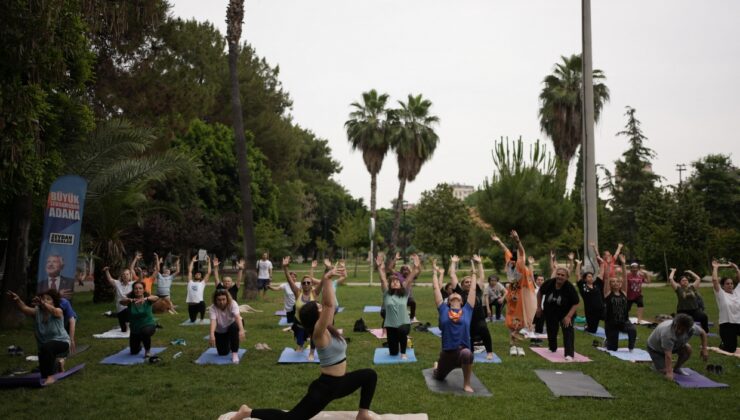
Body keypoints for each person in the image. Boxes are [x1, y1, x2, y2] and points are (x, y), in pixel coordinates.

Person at [231, 264, 377, 420]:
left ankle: (362, 414)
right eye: (318, 306)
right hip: (325, 387)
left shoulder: (327, 328)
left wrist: (328, 278)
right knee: (291, 418)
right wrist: (327, 278)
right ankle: (247, 412)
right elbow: (329, 305)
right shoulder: (318, 333)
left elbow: (328, 305)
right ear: (316, 316)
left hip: (340, 382)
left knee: (369, 375)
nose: (321, 306)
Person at [430, 253, 477, 393]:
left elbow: (473, 290)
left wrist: (473, 273)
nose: (455, 295)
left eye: (458, 295)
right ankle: (437, 367)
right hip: (447, 353)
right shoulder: (443, 309)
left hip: (462, 350)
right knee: (439, 377)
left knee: (468, 354)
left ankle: (466, 384)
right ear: (449, 300)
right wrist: (434, 272)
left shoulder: (467, 310)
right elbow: (436, 289)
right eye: (452, 295)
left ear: (462, 301)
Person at [7, 289, 70, 385]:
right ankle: (58, 365)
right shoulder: (37, 313)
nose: (44, 300)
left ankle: (51, 377)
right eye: (43, 299)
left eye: (48, 299)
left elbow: (53, 311)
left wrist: (43, 304)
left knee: (48, 348)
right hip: (44, 347)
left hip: (62, 343)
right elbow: (24, 308)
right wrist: (17, 300)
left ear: (54, 302)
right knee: (43, 372)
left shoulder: (58, 311)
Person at [491, 231, 537, 356]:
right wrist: (499, 241)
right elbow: (506, 250)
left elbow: (521, 251)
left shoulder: (520, 264)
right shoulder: (510, 263)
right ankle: (512, 345)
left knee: (522, 320)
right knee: (511, 320)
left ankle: (518, 345)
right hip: (513, 296)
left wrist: (517, 240)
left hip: (523, 295)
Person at [449, 255, 494, 361]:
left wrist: (479, 263)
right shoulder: (459, 292)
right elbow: (452, 276)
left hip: (479, 318)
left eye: (470, 282)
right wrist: (453, 262)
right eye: (466, 282)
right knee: (469, 338)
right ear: (462, 285)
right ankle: (470, 352)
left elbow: (481, 276)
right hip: (466, 320)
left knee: (484, 331)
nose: (469, 283)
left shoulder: (477, 290)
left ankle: (490, 352)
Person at [376, 253, 419, 359]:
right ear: (390, 284)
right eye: (393, 282)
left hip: (403, 323)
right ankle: (397, 348)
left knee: (402, 331)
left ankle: (403, 352)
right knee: (393, 352)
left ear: (401, 284)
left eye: (397, 282)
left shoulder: (404, 294)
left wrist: (415, 267)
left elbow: (409, 279)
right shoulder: (386, 294)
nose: (395, 283)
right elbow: (382, 279)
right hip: (390, 326)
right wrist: (379, 267)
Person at [646, 313, 708, 380]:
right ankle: (656, 366)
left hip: (675, 345)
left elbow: (703, 333)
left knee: (688, 349)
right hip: (655, 349)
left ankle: (677, 368)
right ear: (675, 324)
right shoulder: (667, 333)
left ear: (688, 328)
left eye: (683, 329)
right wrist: (669, 372)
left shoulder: (692, 328)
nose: (679, 331)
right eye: (678, 327)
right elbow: (668, 355)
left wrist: (704, 349)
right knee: (664, 371)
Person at [283, 256, 322, 361]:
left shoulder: (314, 293)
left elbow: (322, 282)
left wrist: (327, 270)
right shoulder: (298, 293)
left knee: (313, 336)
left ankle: (312, 353)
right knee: (299, 336)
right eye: (304, 283)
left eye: (308, 283)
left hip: (312, 322)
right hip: (299, 321)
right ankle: (300, 345)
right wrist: (285, 268)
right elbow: (290, 281)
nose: (306, 284)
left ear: (311, 284)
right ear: (301, 284)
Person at [537, 267, 580, 360]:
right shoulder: (549, 283)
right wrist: (539, 307)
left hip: (566, 313)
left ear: (567, 277)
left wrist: (568, 317)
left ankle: (569, 354)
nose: (559, 276)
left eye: (562, 275)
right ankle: (552, 348)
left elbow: (576, 302)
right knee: (551, 330)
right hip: (551, 311)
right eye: (558, 274)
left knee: (567, 330)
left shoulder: (569, 287)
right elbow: (540, 292)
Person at [602, 257, 636, 351]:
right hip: (611, 323)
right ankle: (608, 341)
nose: (616, 283)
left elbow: (625, 278)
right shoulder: (608, 293)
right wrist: (608, 265)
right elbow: (606, 278)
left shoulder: (624, 292)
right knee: (613, 349)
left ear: (621, 284)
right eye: (613, 282)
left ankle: (631, 347)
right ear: (610, 284)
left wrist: (624, 264)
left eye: (618, 282)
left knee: (632, 330)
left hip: (623, 321)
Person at [120, 281, 159, 357]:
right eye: (136, 288)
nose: (138, 290)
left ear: (144, 290)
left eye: (140, 288)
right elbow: (121, 302)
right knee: (134, 351)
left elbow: (156, 298)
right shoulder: (130, 301)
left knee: (145, 332)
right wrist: (129, 300)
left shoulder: (148, 300)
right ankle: (140, 343)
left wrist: (146, 298)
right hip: (135, 329)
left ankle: (147, 351)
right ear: (133, 290)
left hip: (148, 325)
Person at [209, 288, 246, 363]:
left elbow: (237, 317)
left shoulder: (233, 303)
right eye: (219, 300)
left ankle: (234, 353)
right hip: (221, 330)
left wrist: (241, 330)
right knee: (222, 353)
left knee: (234, 327)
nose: (221, 302)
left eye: (223, 299)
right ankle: (229, 340)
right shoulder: (212, 308)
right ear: (215, 300)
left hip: (232, 324)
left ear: (227, 299)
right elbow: (213, 321)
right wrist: (212, 334)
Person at [711, 260, 740, 353]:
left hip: (738, 323)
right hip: (726, 325)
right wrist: (715, 267)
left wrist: (736, 268)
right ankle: (723, 344)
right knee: (731, 349)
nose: (730, 285)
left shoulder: (737, 292)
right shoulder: (721, 294)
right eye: (727, 284)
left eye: (731, 283)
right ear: (723, 286)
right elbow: (715, 280)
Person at [669, 267, 709, 333]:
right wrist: (673, 271)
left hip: (694, 310)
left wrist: (690, 272)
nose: (685, 281)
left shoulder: (692, 287)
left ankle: (705, 332)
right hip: (683, 311)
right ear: (679, 283)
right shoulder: (678, 289)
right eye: (683, 280)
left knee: (704, 317)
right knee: (680, 326)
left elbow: (698, 278)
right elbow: (671, 279)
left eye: (686, 280)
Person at [575, 256, 604, 334]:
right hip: (590, 311)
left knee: (611, 321)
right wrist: (578, 264)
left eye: (591, 276)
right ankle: (587, 326)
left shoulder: (596, 284)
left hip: (601, 309)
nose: (591, 278)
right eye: (589, 277)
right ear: (585, 279)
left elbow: (601, 273)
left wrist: (602, 263)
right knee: (592, 330)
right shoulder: (582, 285)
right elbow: (577, 275)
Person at [103, 265, 133, 332]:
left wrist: (139, 273)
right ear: (122, 276)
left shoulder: (132, 284)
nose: (125, 276)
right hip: (120, 310)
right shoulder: (118, 283)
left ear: (130, 276)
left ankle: (130, 325)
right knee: (123, 330)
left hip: (128, 309)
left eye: (127, 274)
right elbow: (110, 279)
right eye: (124, 274)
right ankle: (127, 326)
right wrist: (107, 271)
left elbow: (140, 280)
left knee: (128, 310)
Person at [625, 258, 650, 324]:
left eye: (636, 268)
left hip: (638, 295)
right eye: (633, 268)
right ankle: (624, 319)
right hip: (629, 295)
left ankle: (639, 319)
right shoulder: (628, 275)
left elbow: (648, 282)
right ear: (631, 269)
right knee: (627, 308)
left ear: (638, 269)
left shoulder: (640, 276)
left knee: (640, 304)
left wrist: (646, 274)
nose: (634, 269)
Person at [187, 255, 211, 323]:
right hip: (191, 305)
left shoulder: (202, 283)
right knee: (192, 320)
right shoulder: (190, 282)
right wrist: (192, 261)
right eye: (196, 274)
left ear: (201, 277)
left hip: (199, 303)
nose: (197, 274)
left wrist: (209, 262)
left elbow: (208, 273)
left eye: (199, 274)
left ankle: (202, 319)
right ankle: (194, 317)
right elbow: (189, 271)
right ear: (194, 276)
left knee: (202, 303)